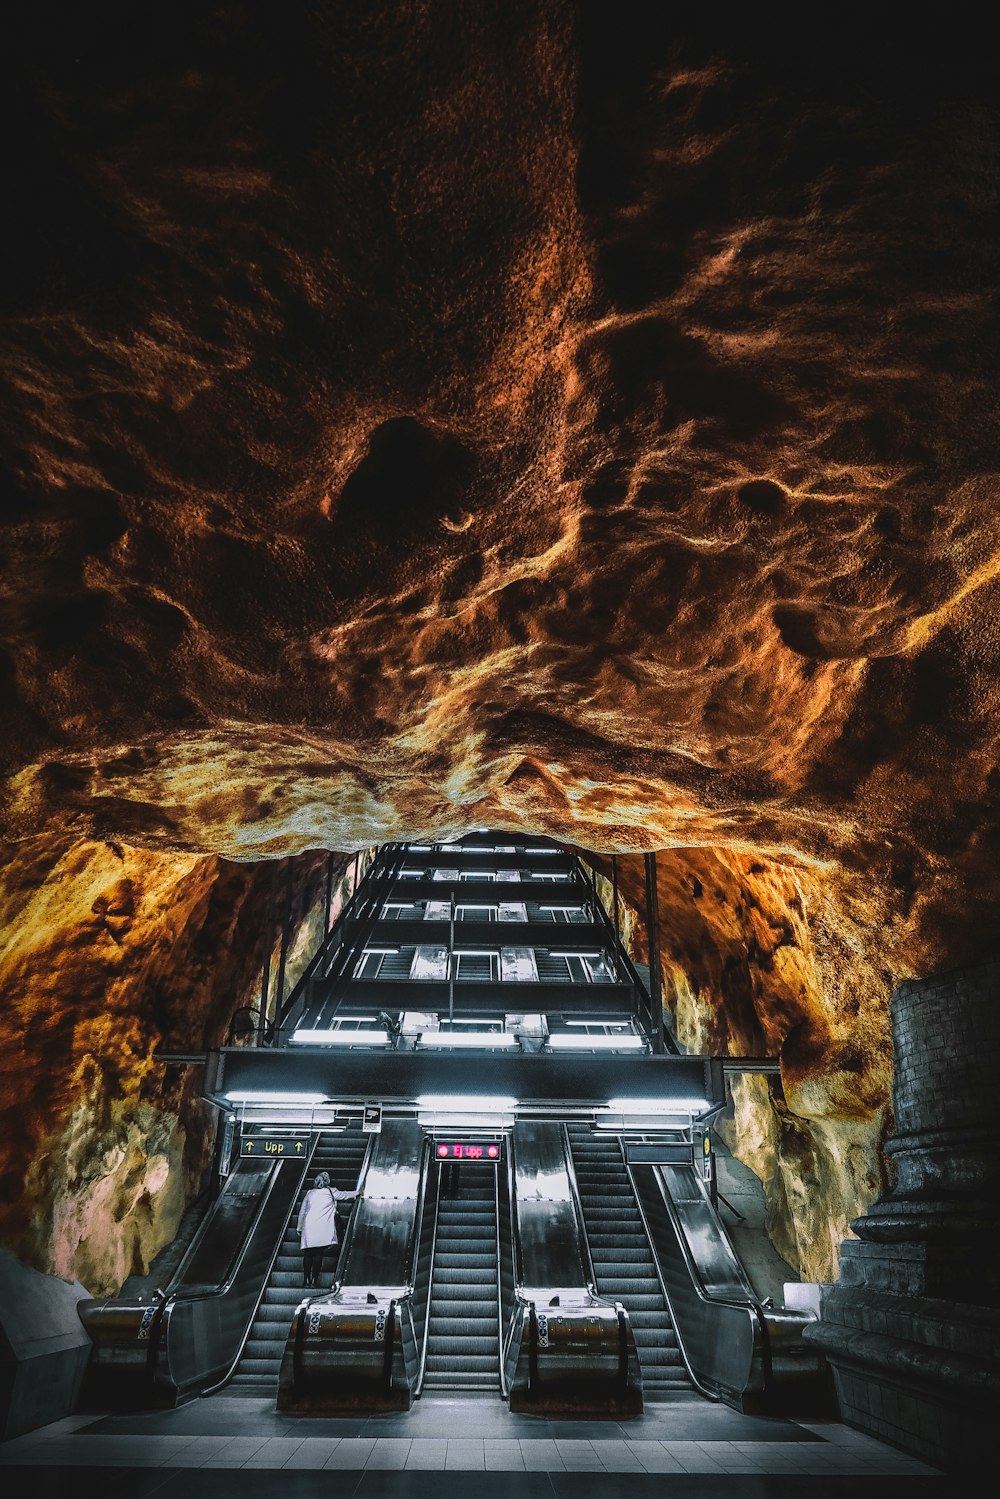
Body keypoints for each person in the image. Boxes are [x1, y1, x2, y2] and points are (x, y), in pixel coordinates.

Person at [296, 1170, 359, 1288]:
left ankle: (306, 1280)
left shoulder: (310, 1193)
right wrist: (358, 1192)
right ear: (327, 1181)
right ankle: (314, 1280)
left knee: (308, 1253)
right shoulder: (331, 1191)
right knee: (318, 1253)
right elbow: (345, 1195)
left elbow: (303, 1211)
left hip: (309, 1226)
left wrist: (299, 1227)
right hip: (322, 1226)